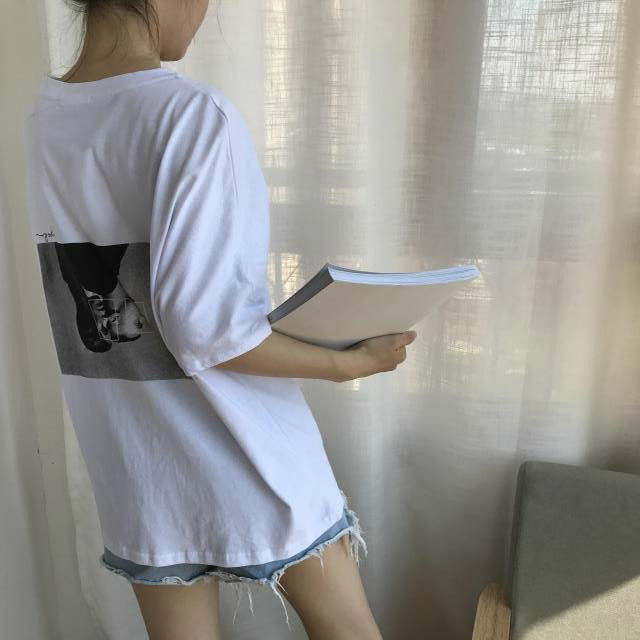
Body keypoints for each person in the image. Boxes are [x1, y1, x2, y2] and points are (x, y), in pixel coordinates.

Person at [22, 1, 417, 638]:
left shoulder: (47, 118)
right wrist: (345, 365)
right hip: (246, 442)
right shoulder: (192, 116)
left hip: (137, 461)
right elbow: (211, 332)